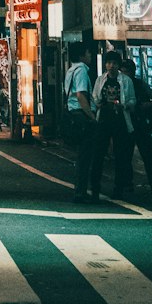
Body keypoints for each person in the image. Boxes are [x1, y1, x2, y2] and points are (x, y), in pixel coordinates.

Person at [90, 48, 137, 200]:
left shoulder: (125, 81)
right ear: (105, 65)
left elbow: (132, 101)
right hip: (103, 119)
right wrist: (99, 104)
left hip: (120, 120)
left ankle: (118, 188)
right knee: (98, 154)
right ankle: (95, 188)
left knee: (120, 155)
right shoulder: (100, 80)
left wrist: (123, 106)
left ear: (118, 65)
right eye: (109, 63)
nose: (111, 66)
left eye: (114, 63)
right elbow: (95, 98)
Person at [118, 57, 152, 196]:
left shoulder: (138, 84)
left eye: (126, 71)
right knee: (127, 156)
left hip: (139, 124)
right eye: (123, 71)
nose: (124, 74)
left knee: (147, 155)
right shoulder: (121, 84)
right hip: (129, 124)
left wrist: (146, 105)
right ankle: (129, 184)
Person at [64, 42, 97, 200]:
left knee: (82, 155)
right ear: (82, 55)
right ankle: (81, 192)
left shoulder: (71, 70)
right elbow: (81, 95)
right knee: (85, 156)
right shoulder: (82, 70)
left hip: (73, 114)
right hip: (81, 115)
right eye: (89, 53)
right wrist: (91, 116)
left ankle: (80, 190)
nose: (90, 55)